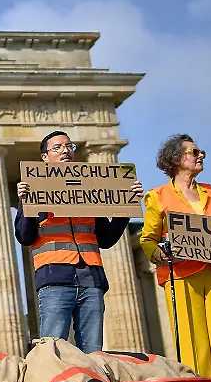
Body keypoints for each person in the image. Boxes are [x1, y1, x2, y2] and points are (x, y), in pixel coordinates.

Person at [15, 131, 143, 353]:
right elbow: (24, 237)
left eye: (69, 146)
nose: (65, 150)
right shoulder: (34, 188)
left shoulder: (89, 189)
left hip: (91, 280)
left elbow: (106, 238)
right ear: (44, 157)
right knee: (53, 351)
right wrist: (26, 204)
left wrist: (126, 207)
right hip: (54, 279)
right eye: (57, 147)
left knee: (93, 352)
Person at [140, 134, 211, 382]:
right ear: (176, 159)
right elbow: (148, 239)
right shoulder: (158, 196)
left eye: (201, 152)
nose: (200, 155)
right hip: (181, 275)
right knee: (193, 342)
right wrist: (159, 254)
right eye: (194, 151)